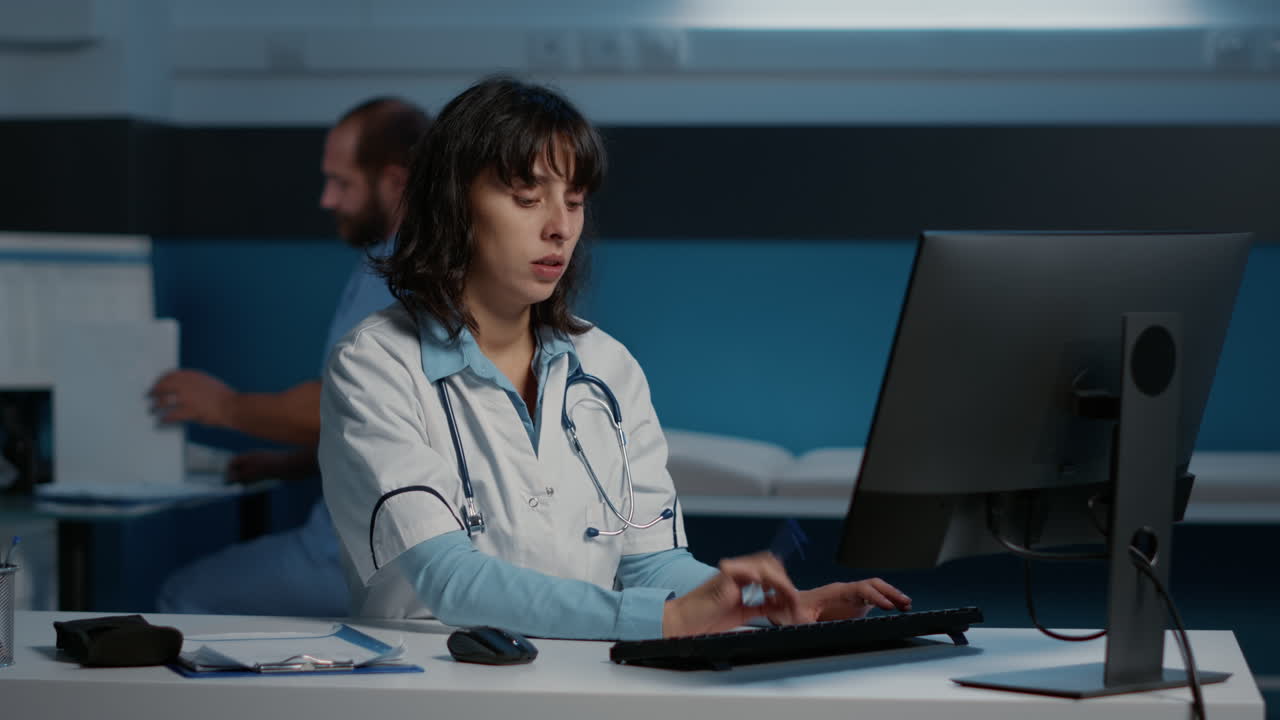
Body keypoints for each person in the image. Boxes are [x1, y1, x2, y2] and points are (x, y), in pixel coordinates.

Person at [319, 76, 910, 639]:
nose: (560, 228)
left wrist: (778, 605)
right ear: (451, 205)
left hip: (587, 675)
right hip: (438, 685)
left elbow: (654, 568)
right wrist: (665, 623)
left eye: (573, 201)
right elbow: (449, 580)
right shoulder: (375, 365)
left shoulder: (606, 366)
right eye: (528, 198)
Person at [152, 97, 431, 615]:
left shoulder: (406, 275)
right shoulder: (396, 265)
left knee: (183, 597)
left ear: (396, 182)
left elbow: (343, 405)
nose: (327, 199)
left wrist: (223, 406)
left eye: (343, 183)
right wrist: (295, 462)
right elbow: (394, 420)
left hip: (367, 558)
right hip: (392, 545)